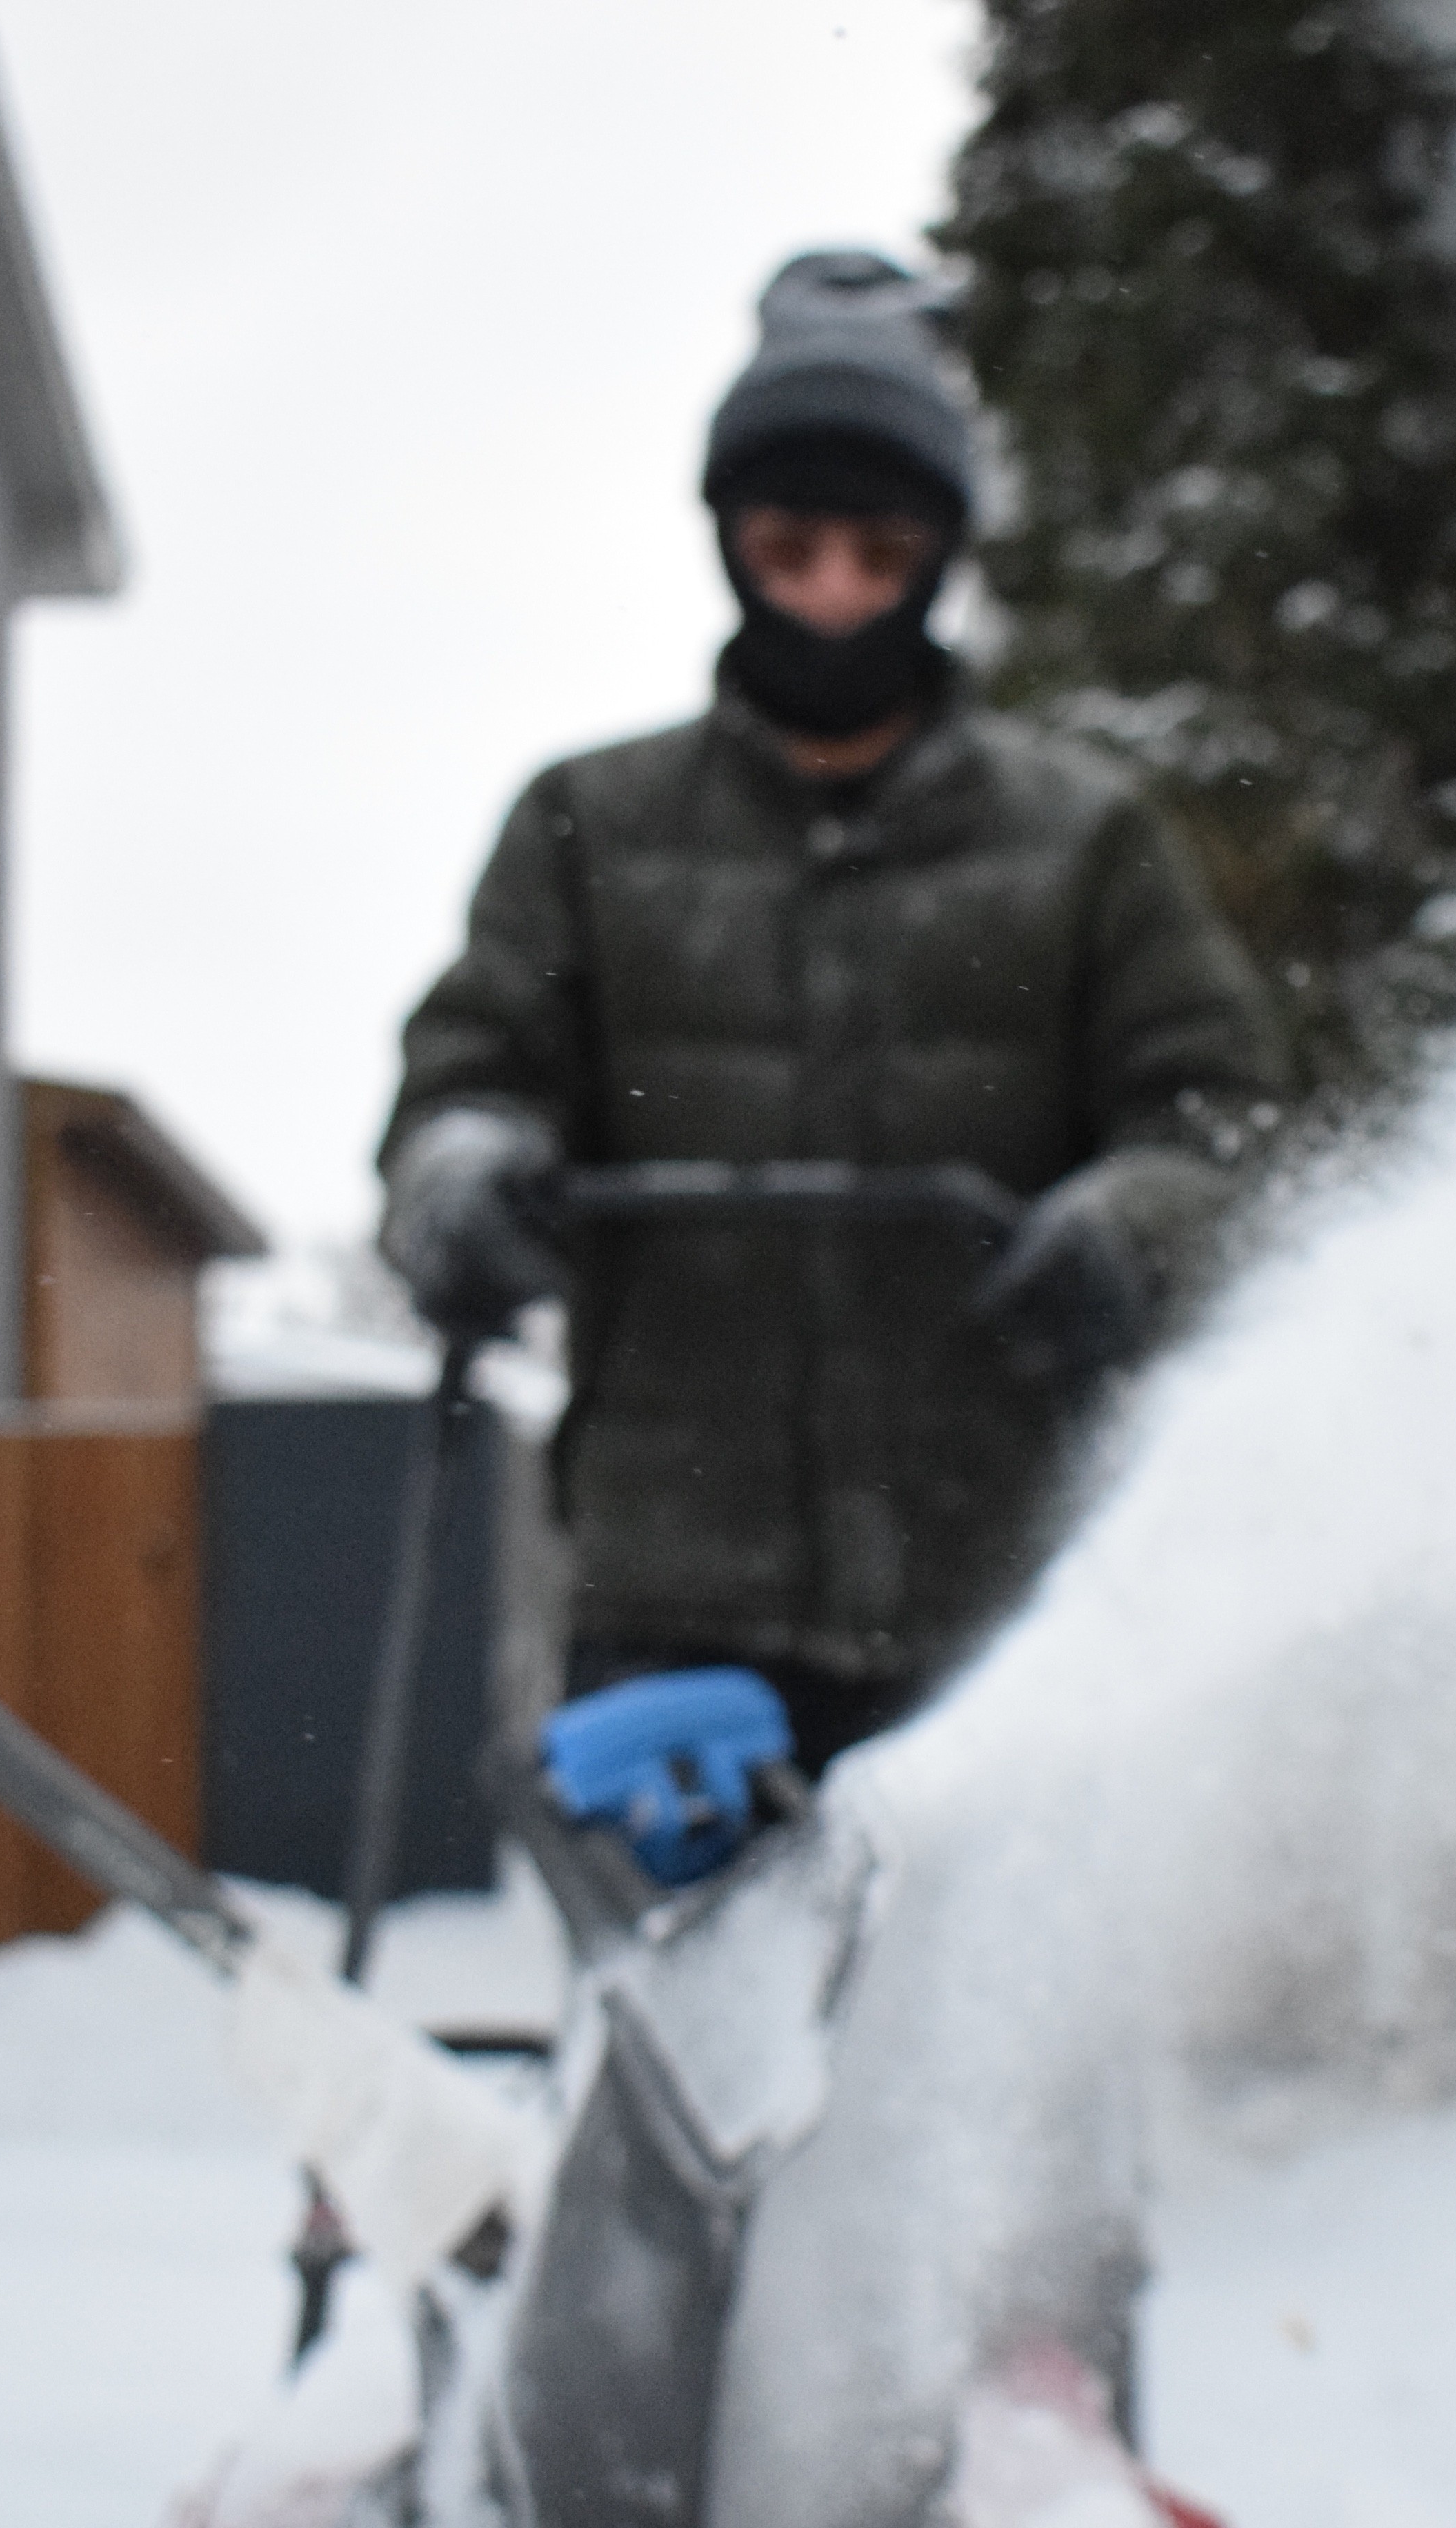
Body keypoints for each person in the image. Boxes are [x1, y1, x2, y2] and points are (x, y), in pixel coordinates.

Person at [377, 250, 1284, 1767]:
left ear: (941, 555)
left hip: (1003, 1596)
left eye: (880, 550)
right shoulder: (586, 828)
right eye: (790, 547)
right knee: (684, 1994)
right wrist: (460, 1182)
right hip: (673, 1583)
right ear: (729, 541)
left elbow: (1219, 1116)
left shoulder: (1084, 840)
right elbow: (468, 1080)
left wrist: (1136, 1226)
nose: (834, 593)